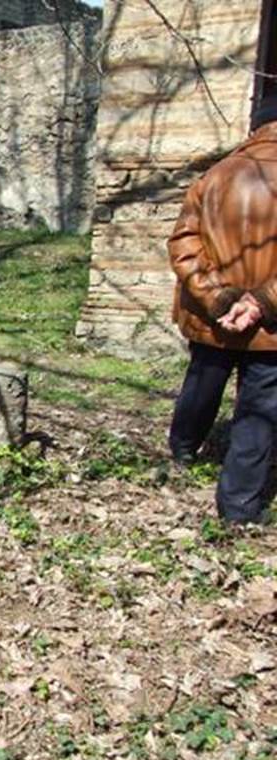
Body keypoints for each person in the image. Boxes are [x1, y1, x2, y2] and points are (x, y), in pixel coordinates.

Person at [167, 97, 277, 525]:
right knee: (260, 410)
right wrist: (260, 302)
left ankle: (182, 446)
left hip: (216, 318)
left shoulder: (213, 177)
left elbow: (183, 243)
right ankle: (239, 508)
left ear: (254, 128)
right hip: (269, 327)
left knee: (203, 379)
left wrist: (218, 298)